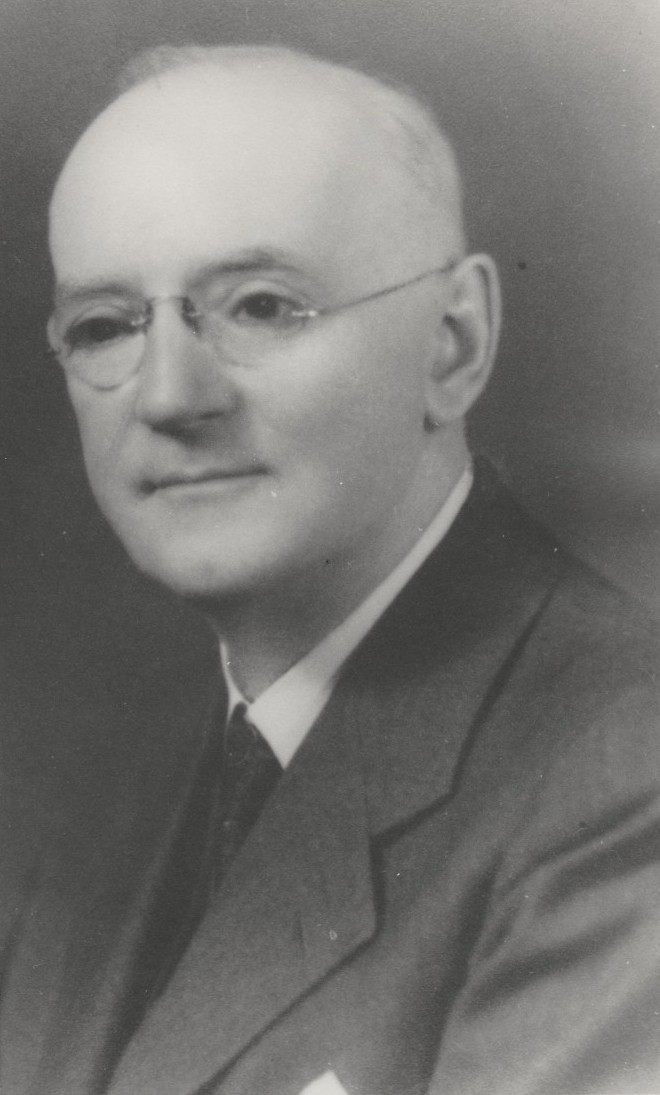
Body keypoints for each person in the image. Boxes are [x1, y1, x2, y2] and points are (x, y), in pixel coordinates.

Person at [2, 43, 660, 1095]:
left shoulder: (626, 788)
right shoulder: (97, 792)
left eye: (263, 305)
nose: (171, 396)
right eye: (105, 325)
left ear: (453, 344)